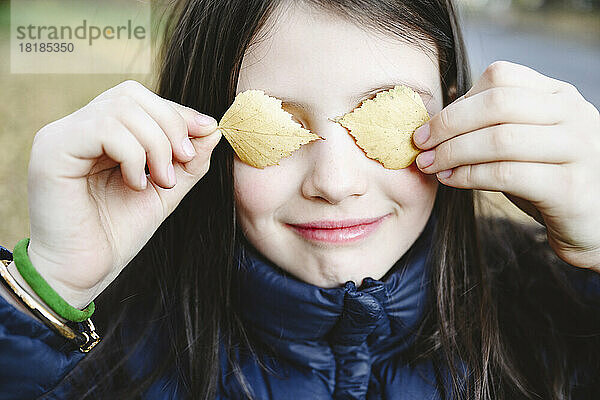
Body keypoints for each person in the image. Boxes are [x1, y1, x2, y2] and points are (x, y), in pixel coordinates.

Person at [1, 0, 599, 398]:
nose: (335, 183)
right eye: (280, 122)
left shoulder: (562, 314)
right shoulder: (106, 353)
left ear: (453, 110)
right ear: (203, 130)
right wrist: (47, 292)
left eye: (384, 113)